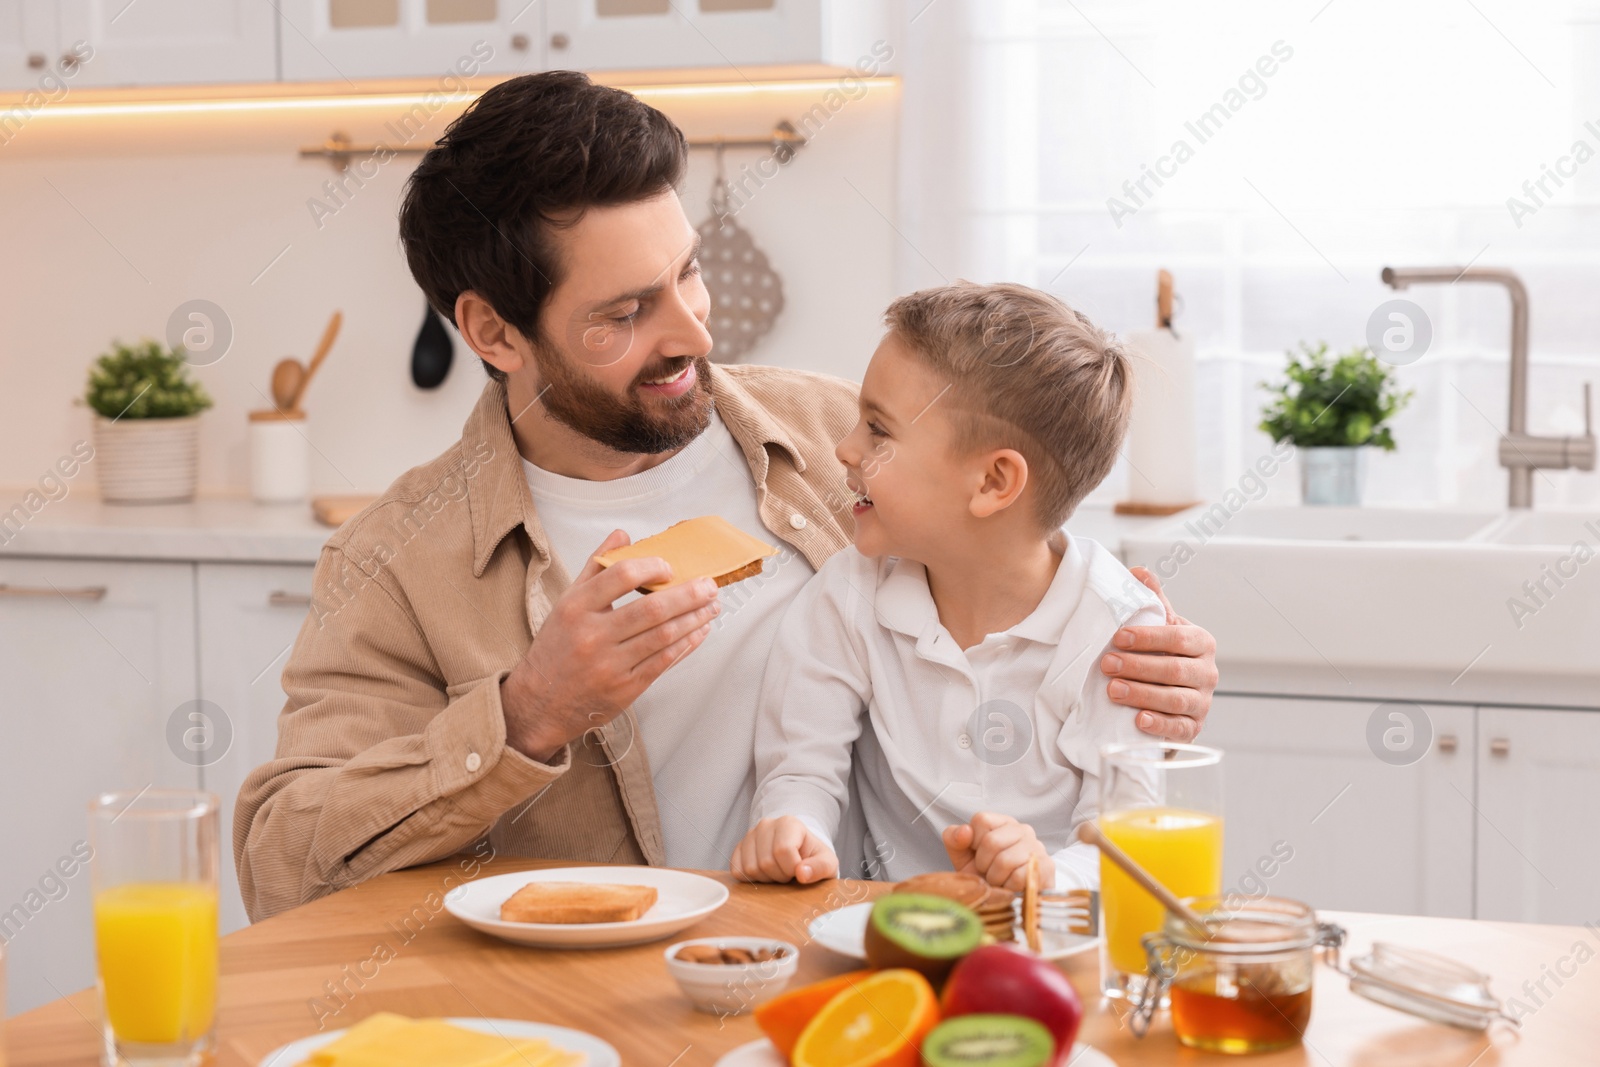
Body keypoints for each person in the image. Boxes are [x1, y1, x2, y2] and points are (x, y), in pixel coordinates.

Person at [233, 72, 1219, 921]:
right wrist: (527, 712)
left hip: (851, 974)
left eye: (688, 272)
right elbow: (282, 865)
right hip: (591, 1020)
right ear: (493, 333)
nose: (695, 332)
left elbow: (1021, 565)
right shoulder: (395, 561)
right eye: (626, 311)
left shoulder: (843, 437)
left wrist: (1143, 662)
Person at [735, 282, 1165, 892]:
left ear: (993, 481)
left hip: (1052, 951)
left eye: (878, 431)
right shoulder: (847, 592)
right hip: (890, 936)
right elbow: (801, 769)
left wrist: (1046, 874)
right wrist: (792, 827)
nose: (844, 447)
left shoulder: (1115, 629)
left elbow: (1129, 844)